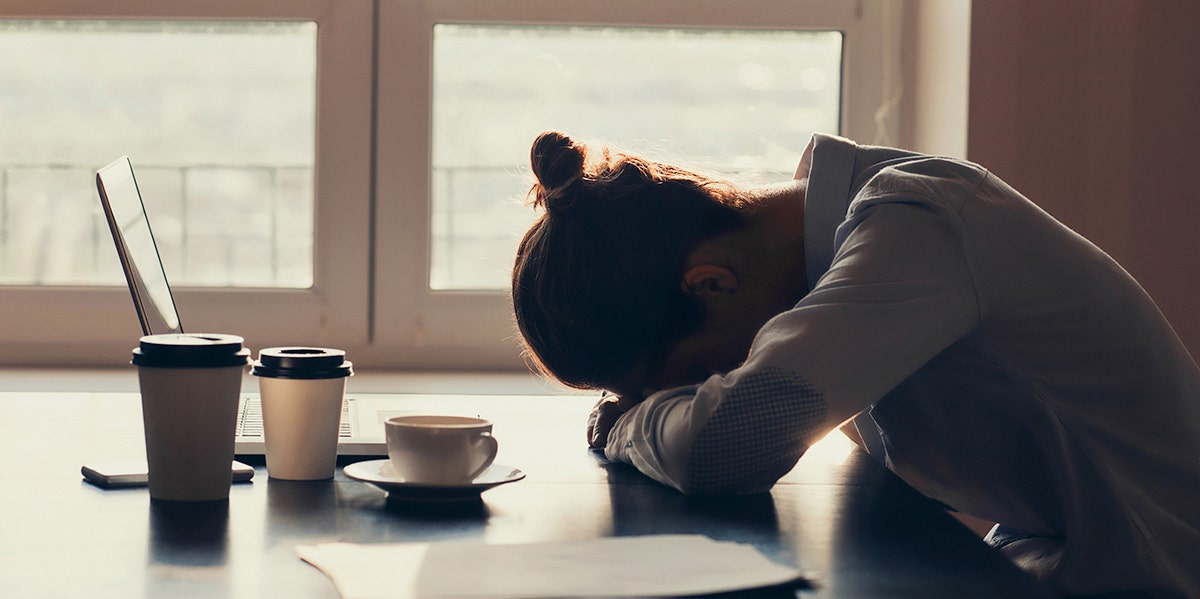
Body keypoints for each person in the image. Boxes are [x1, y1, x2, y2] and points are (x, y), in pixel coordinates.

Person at [511, 130, 1200, 597]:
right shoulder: (839, 247)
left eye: (670, 384)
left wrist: (623, 427)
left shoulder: (918, 226)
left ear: (711, 283)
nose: (686, 396)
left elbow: (725, 442)